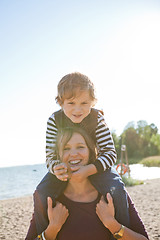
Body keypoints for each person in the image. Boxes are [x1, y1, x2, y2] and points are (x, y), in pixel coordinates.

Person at [26, 127, 149, 240]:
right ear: (58, 156)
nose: (73, 154)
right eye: (66, 148)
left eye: (80, 147)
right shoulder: (48, 199)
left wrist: (112, 224)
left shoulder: (113, 194)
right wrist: (52, 230)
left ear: (91, 152)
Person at [44, 72, 129, 227]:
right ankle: (46, 233)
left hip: (96, 166)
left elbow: (110, 153)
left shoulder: (97, 118)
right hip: (64, 169)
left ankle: (121, 231)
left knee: (117, 188)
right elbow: (49, 155)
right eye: (71, 103)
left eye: (84, 103)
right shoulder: (54, 121)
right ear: (60, 103)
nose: (78, 109)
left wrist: (90, 169)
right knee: (41, 193)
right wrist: (56, 168)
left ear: (93, 102)